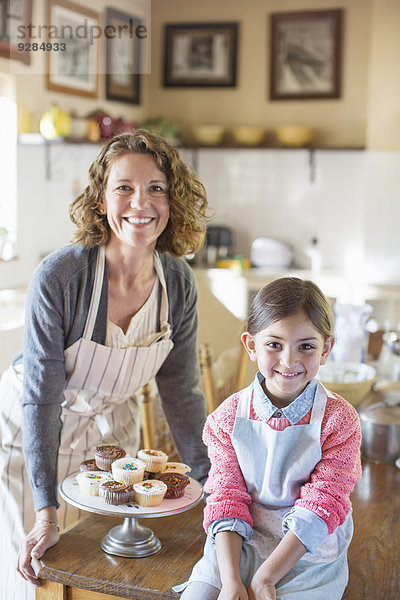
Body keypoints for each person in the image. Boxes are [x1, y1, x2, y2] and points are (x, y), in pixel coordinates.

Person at [0, 130, 210, 599]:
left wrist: (210, 484)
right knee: (34, 573)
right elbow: (42, 397)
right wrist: (46, 512)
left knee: (108, 573)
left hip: (110, 444)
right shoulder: (61, 277)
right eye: (124, 188)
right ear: (100, 199)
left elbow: (182, 391)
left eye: (156, 187)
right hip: (25, 441)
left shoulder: (177, 285)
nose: (142, 202)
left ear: (173, 200)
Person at [175, 277, 362, 600]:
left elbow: (322, 506)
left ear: (326, 348)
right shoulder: (227, 418)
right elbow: (226, 498)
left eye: (306, 346)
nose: (289, 361)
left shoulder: (339, 420)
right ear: (251, 345)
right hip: (239, 540)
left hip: (306, 548)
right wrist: (232, 580)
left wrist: (265, 577)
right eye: (274, 344)